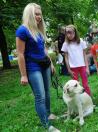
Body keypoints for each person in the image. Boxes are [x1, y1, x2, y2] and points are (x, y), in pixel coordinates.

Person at [15, 3, 60, 132]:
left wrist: (51, 63)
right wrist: (23, 75)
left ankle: (48, 114)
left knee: (47, 92)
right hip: (32, 67)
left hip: (45, 64)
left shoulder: (39, 31)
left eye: (40, 14)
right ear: (29, 14)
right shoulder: (22, 30)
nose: (39, 17)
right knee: (40, 96)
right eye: (36, 14)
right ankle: (47, 125)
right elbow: (20, 54)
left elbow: (43, 49)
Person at [61, 24, 91, 96]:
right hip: (73, 68)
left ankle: (89, 100)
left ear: (75, 32)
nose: (69, 35)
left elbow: (84, 55)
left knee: (85, 84)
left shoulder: (80, 41)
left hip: (82, 66)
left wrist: (87, 67)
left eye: (70, 32)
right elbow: (66, 57)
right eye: (67, 32)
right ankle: (79, 101)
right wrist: (69, 69)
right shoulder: (65, 44)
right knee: (75, 86)